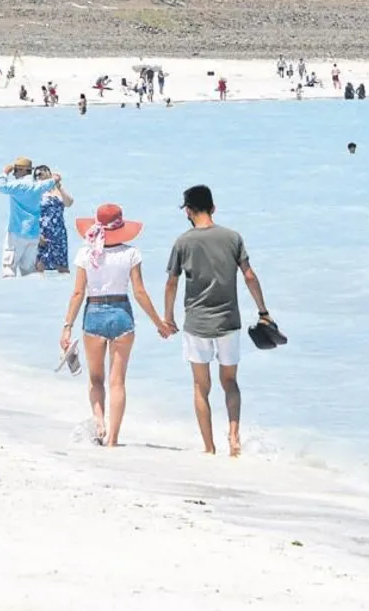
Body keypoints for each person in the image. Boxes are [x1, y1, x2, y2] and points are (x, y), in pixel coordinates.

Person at [163, 185, 273, 457]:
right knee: (230, 382)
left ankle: (209, 448)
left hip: (197, 324)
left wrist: (168, 317)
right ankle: (234, 437)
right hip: (228, 322)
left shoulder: (183, 242)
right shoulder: (233, 237)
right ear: (213, 208)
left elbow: (172, 282)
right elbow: (249, 276)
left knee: (201, 386)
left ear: (188, 211)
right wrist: (263, 311)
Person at [60, 203, 172, 446]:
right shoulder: (131, 253)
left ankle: (99, 423)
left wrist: (67, 325)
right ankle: (113, 439)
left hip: (94, 314)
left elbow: (78, 293)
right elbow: (140, 292)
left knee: (96, 379)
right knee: (117, 381)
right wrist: (159, 323)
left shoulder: (85, 253)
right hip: (122, 314)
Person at [0, 157, 60, 277]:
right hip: (33, 234)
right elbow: (56, 178)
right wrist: (53, 177)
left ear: (22, 170)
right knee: (29, 271)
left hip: (16, 233)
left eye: (15, 170)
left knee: (8, 268)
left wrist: (5, 172)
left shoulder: (17, 185)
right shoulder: (39, 185)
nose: (13, 174)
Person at [36, 164, 74, 273]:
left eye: (41, 173)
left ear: (49, 173)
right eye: (36, 175)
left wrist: (59, 186)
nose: (38, 177)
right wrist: (36, 235)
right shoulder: (36, 192)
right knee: (39, 266)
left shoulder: (58, 190)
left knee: (62, 267)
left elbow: (69, 203)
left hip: (59, 233)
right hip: (42, 232)